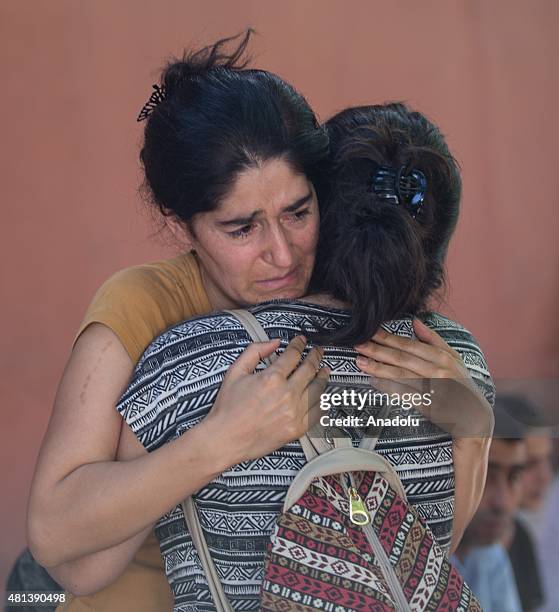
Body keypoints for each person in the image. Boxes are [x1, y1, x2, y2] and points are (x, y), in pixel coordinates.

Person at [24, 34, 492, 610]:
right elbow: (59, 543)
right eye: (241, 228)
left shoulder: (366, 313)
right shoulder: (143, 307)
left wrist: (467, 420)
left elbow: (431, 546)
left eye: (298, 212)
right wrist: (222, 439)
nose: (283, 254)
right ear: (180, 228)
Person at [454, 398, 526, 612]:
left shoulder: (490, 556)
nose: (502, 502)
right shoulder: (409, 552)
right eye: (487, 476)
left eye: (514, 477)